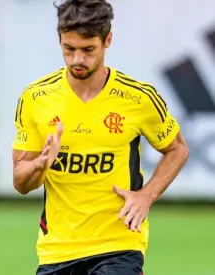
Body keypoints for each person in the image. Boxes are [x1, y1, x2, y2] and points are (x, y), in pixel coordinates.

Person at [12, 0, 189, 274]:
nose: (77, 59)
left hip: (119, 245)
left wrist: (146, 196)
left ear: (108, 40)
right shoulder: (35, 99)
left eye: (88, 50)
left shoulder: (138, 98)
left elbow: (177, 149)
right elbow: (21, 183)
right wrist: (39, 164)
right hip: (57, 250)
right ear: (59, 40)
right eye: (69, 49)